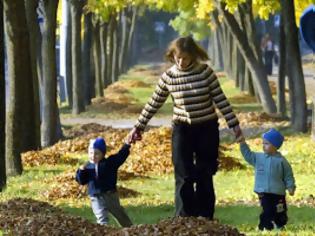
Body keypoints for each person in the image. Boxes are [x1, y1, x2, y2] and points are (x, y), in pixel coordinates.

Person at [128, 36, 242, 220]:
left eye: (186, 58)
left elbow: (220, 99)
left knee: (205, 172)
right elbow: (153, 103)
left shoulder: (205, 73)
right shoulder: (169, 77)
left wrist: (234, 125)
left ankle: (205, 216)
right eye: (177, 57)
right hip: (182, 128)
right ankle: (184, 217)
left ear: (194, 56)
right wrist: (138, 127)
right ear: (172, 55)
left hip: (206, 127)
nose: (181, 62)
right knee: (183, 173)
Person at [236, 128, 296, 231]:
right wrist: (242, 143)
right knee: (267, 210)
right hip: (264, 191)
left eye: (267, 144)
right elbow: (248, 155)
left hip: (278, 192)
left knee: (280, 210)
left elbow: (288, 175)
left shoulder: (282, 161)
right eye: (263, 143)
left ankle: (280, 225)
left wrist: (290, 187)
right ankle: (264, 227)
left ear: (275, 146)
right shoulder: (258, 158)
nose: (263, 146)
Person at [75, 137, 133, 227]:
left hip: (110, 195)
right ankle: (103, 231)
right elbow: (82, 181)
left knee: (120, 215)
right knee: (101, 218)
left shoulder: (109, 163)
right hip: (95, 197)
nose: (93, 156)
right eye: (91, 153)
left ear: (103, 153)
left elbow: (121, 156)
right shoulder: (87, 167)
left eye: (97, 153)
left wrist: (127, 145)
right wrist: (81, 171)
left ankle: (131, 230)